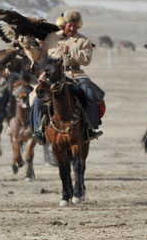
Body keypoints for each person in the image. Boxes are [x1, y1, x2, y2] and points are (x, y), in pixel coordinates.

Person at [20, 10, 104, 144]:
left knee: (90, 94)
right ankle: (38, 131)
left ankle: (90, 128)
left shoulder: (83, 41)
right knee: (37, 98)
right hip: (52, 75)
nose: (72, 28)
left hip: (76, 75)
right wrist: (28, 47)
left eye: (75, 26)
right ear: (64, 24)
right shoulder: (50, 38)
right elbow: (39, 57)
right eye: (70, 25)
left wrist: (70, 51)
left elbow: (86, 60)